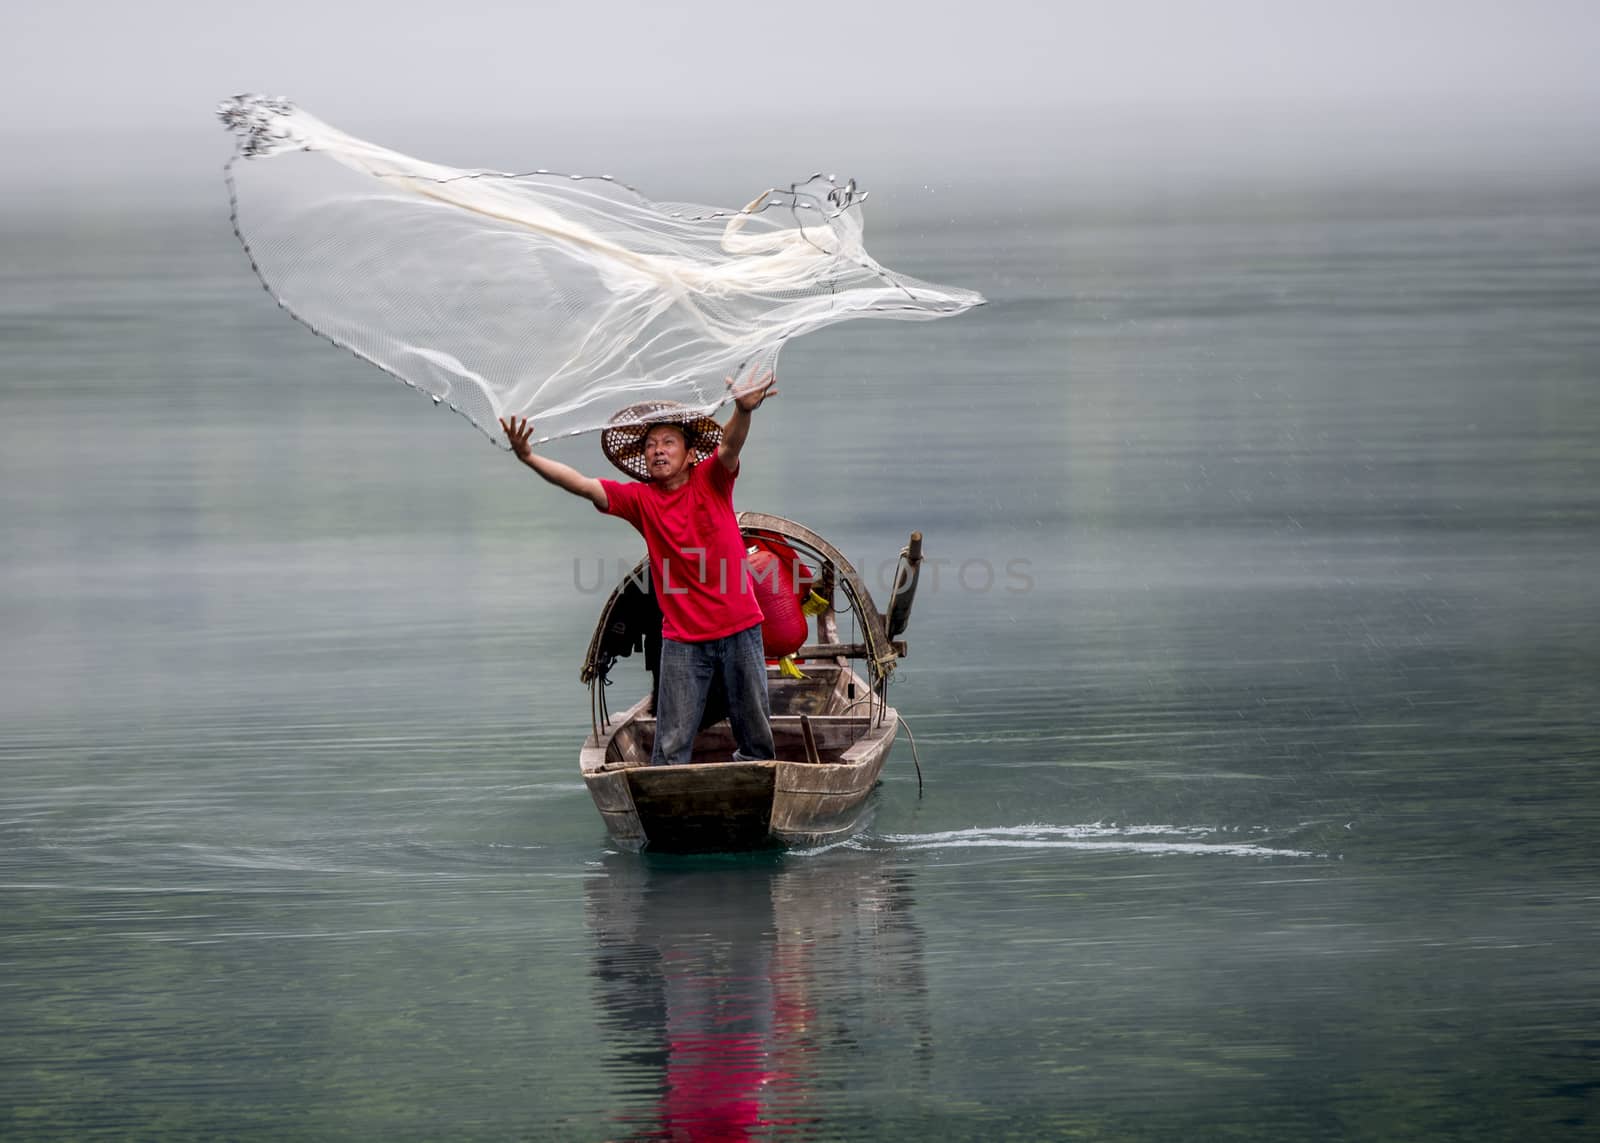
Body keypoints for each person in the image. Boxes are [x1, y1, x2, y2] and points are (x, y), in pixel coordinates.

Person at [500, 368, 780, 766]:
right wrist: (528, 458)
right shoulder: (640, 501)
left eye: (668, 443)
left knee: (756, 739)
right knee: (669, 748)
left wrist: (743, 411)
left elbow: (731, 445)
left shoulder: (712, 479)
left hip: (740, 628)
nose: (658, 450)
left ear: (689, 455)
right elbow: (581, 484)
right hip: (683, 639)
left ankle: (754, 788)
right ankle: (669, 803)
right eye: (650, 445)